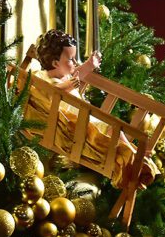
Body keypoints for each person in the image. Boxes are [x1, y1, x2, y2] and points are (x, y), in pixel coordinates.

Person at [20, 30, 157, 188]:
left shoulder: (64, 76)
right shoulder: (47, 80)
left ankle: (134, 153)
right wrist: (70, 84)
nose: (75, 62)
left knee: (115, 131)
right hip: (77, 124)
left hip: (86, 119)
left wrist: (89, 65)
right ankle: (134, 155)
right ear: (55, 63)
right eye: (71, 59)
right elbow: (55, 92)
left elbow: (76, 73)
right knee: (114, 132)